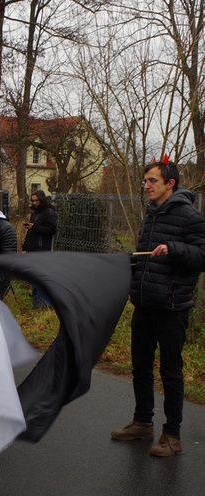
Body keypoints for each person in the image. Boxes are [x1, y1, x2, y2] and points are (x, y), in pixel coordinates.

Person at [111, 158, 205, 457]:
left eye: (152, 181)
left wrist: (174, 248)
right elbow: (145, 258)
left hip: (172, 306)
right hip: (144, 303)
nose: (147, 186)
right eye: (145, 181)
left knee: (170, 371)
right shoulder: (150, 215)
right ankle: (142, 423)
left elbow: (201, 256)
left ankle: (172, 435)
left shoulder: (190, 216)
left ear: (170, 184)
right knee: (140, 366)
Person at [21, 190, 57, 309]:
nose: (35, 202)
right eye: (33, 200)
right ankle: (36, 303)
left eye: (37, 200)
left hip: (42, 249)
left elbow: (51, 230)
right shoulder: (34, 213)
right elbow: (30, 232)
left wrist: (35, 227)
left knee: (41, 277)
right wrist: (25, 247)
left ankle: (44, 304)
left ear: (42, 199)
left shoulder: (49, 212)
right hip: (32, 248)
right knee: (33, 277)